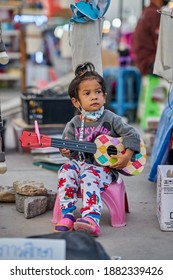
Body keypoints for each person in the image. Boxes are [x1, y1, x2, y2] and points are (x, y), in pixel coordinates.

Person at [54, 62, 141, 237]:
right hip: (80, 164)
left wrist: (127, 156)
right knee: (65, 170)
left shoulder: (111, 118)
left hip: (105, 169)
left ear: (105, 96)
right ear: (76, 101)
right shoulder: (73, 124)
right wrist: (65, 151)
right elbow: (68, 150)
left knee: (90, 174)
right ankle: (67, 214)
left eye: (98, 92)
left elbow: (133, 135)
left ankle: (91, 218)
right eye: (87, 93)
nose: (94, 97)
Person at [132, 0, 170, 75]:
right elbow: (162, 44)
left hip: (143, 63)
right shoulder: (154, 13)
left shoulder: (147, 12)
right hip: (151, 64)